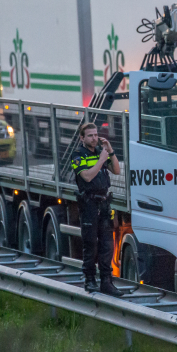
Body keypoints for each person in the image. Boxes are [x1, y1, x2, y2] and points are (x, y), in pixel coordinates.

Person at [71, 122, 123, 296]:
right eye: (90, 135)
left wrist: (110, 151)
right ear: (82, 138)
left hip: (104, 203)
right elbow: (86, 176)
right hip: (89, 204)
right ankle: (90, 280)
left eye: (96, 135)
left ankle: (107, 282)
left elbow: (116, 170)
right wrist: (101, 160)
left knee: (107, 245)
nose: (94, 138)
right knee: (90, 244)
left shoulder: (101, 153)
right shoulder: (79, 155)